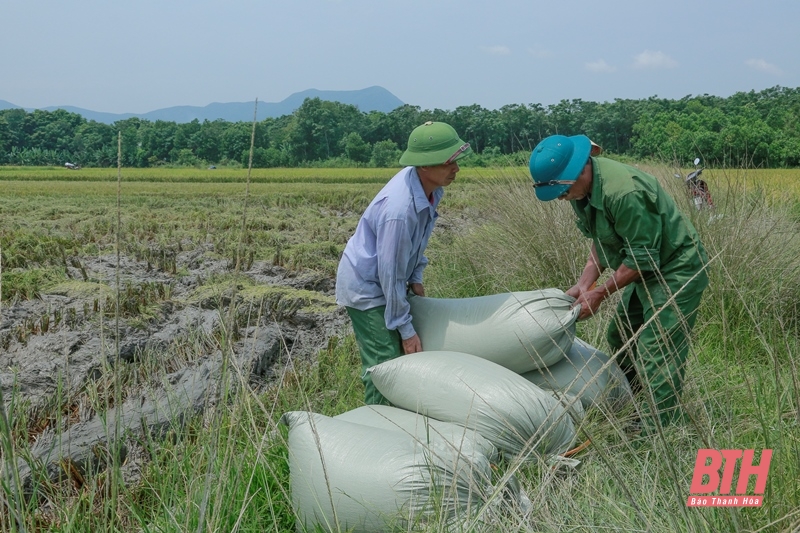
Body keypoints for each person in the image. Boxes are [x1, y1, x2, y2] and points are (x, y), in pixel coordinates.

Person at [528, 134, 709, 428]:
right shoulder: (582, 192)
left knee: (656, 348)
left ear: (578, 172)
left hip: (676, 267)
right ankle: (640, 402)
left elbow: (642, 257)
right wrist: (584, 283)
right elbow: (602, 238)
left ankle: (662, 430)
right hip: (644, 268)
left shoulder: (623, 192)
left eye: (561, 192)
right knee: (621, 335)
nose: (561, 200)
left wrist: (600, 293)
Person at [336, 121, 471, 404]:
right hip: (368, 287)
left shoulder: (430, 189)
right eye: (449, 162)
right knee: (386, 366)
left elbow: (418, 242)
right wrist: (406, 330)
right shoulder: (399, 209)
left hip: (386, 278)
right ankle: (377, 430)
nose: (456, 168)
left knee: (397, 359)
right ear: (424, 165)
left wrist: (417, 276)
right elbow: (390, 274)